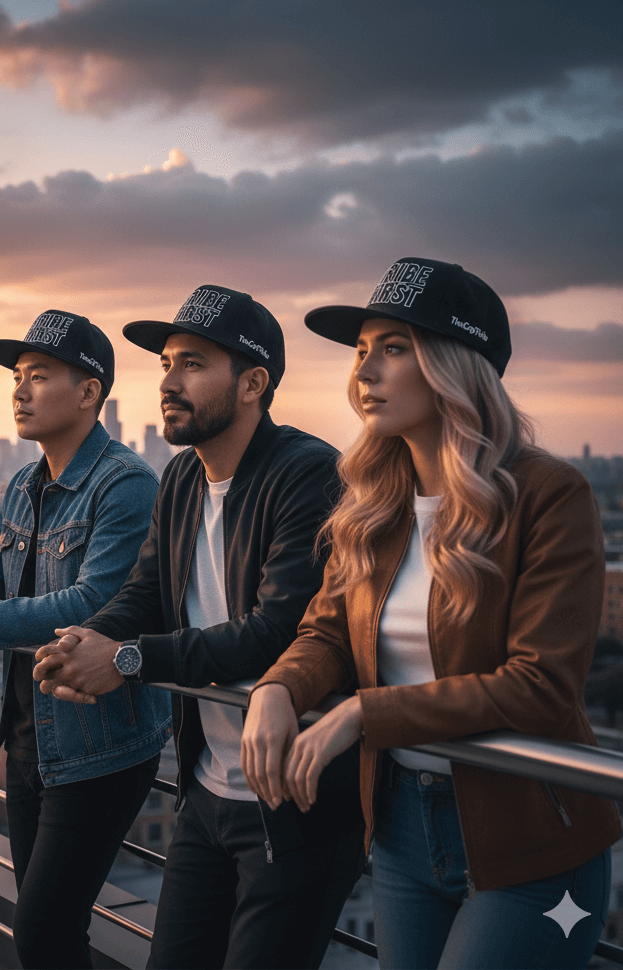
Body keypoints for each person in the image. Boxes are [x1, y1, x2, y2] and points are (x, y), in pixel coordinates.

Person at [241, 257, 622, 969]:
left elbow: (539, 687)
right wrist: (278, 688)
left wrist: (362, 713)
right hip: (398, 832)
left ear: (455, 366)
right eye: (360, 352)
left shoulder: (548, 495)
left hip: (528, 839)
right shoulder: (373, 504)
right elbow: (324, 630)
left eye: (394, 348)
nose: (365, 372)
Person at [33, 286, 365, 970]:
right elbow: (145, 594)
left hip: (291, 800)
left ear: (253, 383)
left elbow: (275, 630)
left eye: (192, 364)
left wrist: (123, 661)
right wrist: (82, 643)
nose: (169, 382)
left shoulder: (307, 475)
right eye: (165, 365)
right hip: (206, 790)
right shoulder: (182, 476)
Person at [0, 309, 171, 970]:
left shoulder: (125, 483)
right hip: (28, 738)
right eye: (17, 377)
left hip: (99, 743)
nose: (18, 391)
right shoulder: (23, 484)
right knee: (53, 935)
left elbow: (88, 606)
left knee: (43, 930)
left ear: (89, 392)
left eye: (39, 375)